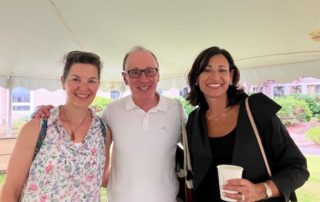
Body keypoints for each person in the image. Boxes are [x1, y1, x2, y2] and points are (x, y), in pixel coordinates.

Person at [28, 46, 183, 202]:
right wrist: (43, 112)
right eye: (134, 72)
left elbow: (199, 148)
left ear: (158, 75)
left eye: (150, 71)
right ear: (125, 78)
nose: (143, 79)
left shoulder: (177, 110)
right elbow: (79, 126)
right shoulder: (112, 111)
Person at [185, 46, 309, 202]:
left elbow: (298, 168)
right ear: (196, 78)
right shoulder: (194, 120)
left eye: (222, 70)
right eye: (206, 70)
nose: (215, 76)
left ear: (231, 76)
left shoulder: (256, 110)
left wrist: (261, 190)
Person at [0, 51, 111, 201]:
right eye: (75, 79)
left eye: (91, 81)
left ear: (98, 84)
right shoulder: (36, 129)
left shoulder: (103, 132)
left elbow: (104, 179)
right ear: (63, 81)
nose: (83, 88)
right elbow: (10, 191)